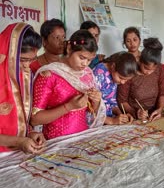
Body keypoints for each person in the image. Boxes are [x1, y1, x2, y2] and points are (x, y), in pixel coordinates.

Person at [30, 30, 106, 140]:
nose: (85, 64)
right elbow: (35, 119)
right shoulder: (49, 75)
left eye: (89, 60)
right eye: (81, 57)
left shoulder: (87, 74)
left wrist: (96, 101)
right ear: (69, 49)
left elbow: (90, 111)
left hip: (82, 138)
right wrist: (69, 106)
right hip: (56, 142)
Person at [0, 23, 46, 153]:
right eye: (22, 59)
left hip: (16, 152)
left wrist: (30, 133)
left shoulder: (23, 75)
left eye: (32, 60)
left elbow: (19, 116)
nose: (27, 65)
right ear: (10, 52)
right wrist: (19, 141)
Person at [118, 38, 164, 122]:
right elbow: (122, 101)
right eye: (146, 68)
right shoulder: (131, 70)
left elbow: (162, 93)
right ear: (140, 60)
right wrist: (136, 112)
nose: (149, 72)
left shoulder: (159, 68)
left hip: (153, 114)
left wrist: (160, 109)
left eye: (152, 70)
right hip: (135, 116)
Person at [93, 52, 137, 125]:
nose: (123, 82)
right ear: (113, 66)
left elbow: (111, 103)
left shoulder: (114, 76)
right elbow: (90, 110)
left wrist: (122, 116)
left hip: (108, 120)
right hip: (97, 122)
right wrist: (111, 121)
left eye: (126, 80)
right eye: (121, 78)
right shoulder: (98, 74)